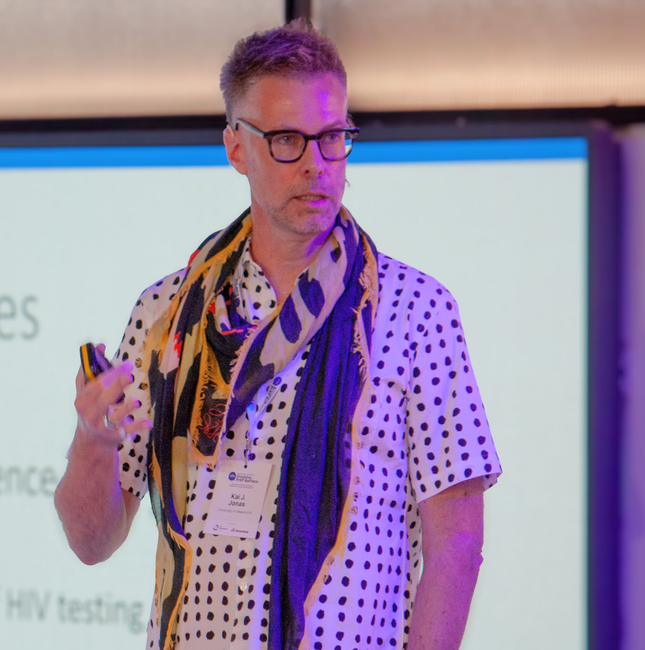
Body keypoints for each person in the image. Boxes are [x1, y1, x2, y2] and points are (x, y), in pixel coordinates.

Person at [55, 19, 501, 650]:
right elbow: (91, 541)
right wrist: (92, 441)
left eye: (333, 139)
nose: (317, 165)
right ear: (236, 147)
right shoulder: (165, 314)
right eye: (288, 140)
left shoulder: (415, 310)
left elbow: (457, 541)